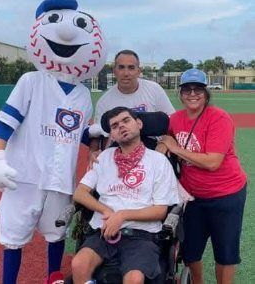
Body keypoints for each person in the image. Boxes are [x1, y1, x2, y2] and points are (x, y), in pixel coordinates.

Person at [0, 0, 107, 284]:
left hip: (60, 180)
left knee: (57, 234)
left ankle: (52, 279)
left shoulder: (81, 94)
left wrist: (93, 143)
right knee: (13, 238)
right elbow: (7, 121)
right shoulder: (31, 81)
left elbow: (74, 131)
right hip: (23, 176)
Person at [71, 106, 180, 284]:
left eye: (126, 120)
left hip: (142, 235)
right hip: (102, 232)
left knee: (134, 278)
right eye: (114, 126)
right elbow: (80, 193)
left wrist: (122, 216)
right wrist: (107, 212)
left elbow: (160, 211)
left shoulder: (158, 161)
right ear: (112, 135)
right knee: (78, 264)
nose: (121, 126)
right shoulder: (104, 157)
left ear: (139, 124)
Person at [158, 68, 247, 284]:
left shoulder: (219, 118)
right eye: (187, 89)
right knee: (190, 251)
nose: (192, 94)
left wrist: (176, 149)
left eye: (198, 89)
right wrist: (162, 148)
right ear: (180, 93)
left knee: (225, 252)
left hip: (226, 194)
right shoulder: (174, 119)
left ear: (206, 93)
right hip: (193, 197)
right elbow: (163, 144)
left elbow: (213, 162)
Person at [89, 49, 175, 153]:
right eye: (121, 67)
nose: (126, 73)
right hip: (121, 149)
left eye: (131, 68)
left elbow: (172, 120)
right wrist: (96, 152)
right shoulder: (104, 102)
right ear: (114, 71)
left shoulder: (154, 89)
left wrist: (165, 142)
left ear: (138, 71)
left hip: (155, 148)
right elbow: (101, 134)